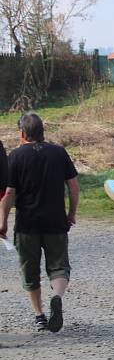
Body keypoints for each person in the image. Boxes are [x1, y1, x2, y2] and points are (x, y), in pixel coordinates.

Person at [0, 112, 79, 333]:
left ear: (22, 133)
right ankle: (57, 296)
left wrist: (3, 223)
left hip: (27, 225)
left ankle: (40, 316)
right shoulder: (59, 152)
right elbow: (73, 186)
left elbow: (9, 193)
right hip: (55, 221)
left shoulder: (15, 156)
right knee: (59, 266)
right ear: (42, 131)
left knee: (30, 271)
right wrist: (71, 213)